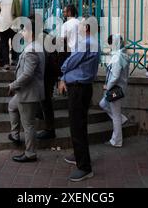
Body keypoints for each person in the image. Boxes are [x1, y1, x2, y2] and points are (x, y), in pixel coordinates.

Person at [59, 19, 100, 182]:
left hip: (79, 88)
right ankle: (79, 156)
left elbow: (71, 61)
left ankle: (84, 166)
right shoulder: (89, 42)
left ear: (87, 28)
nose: (78, 27)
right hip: (80, 87)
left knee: (77, 125)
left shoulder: (87, 42)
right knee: (78, 124)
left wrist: (63, 71)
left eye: (81, 25)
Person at [8, 18, 45, 162]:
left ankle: (30, 153)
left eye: (23, 30)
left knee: (28, 125)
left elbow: (28, 74)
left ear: (30, 32)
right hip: (25, 91)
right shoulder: (35, 46)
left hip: (28, 92)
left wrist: (13, 85)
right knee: (12, 106)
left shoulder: (32, 50)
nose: (21, 33)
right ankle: (15, 134)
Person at [99, 34, 130, 148]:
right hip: (118, 88)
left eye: (110, 43)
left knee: (115, 116)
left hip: (115, 89)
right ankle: (122, 119)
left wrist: (108, 86)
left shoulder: (118, 57)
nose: (109, 45)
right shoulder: (121, 55)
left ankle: (116, 141)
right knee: (103, 104)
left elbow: (115, 76)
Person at [0, 0, 17, 70]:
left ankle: (6, 63)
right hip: (14, 23)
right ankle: (14, 60)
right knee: (14, 43)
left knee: (4, 44)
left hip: (3, 23)